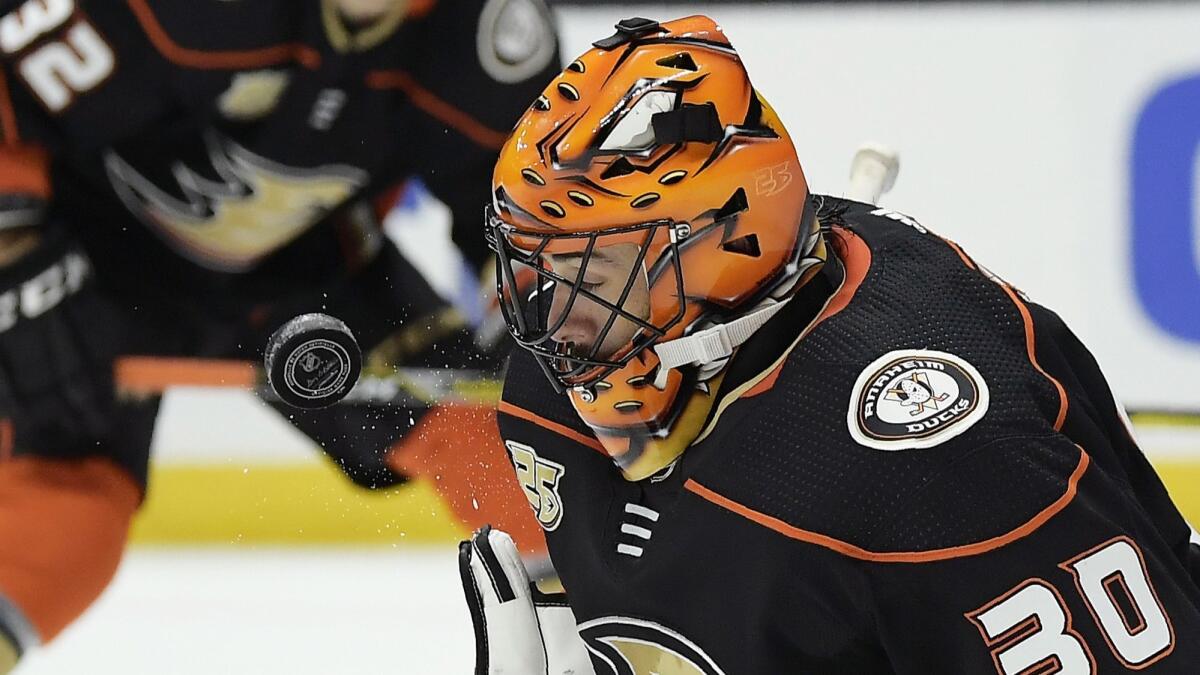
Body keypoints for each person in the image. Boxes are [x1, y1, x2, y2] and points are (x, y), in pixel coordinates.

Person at [459, 15, 1200, 674]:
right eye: (539, 271)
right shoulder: (549, 395)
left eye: (594, 275)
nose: (556, 321)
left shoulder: (941, 472)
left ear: (718, 251)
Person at [0, 0, 558, 668]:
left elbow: (525, 218)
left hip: (309, 261)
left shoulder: (489, 37)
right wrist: (13, 248)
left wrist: (533, 311)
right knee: (68, 503)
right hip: (97, 249)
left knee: (504, 445)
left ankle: (609, 635)